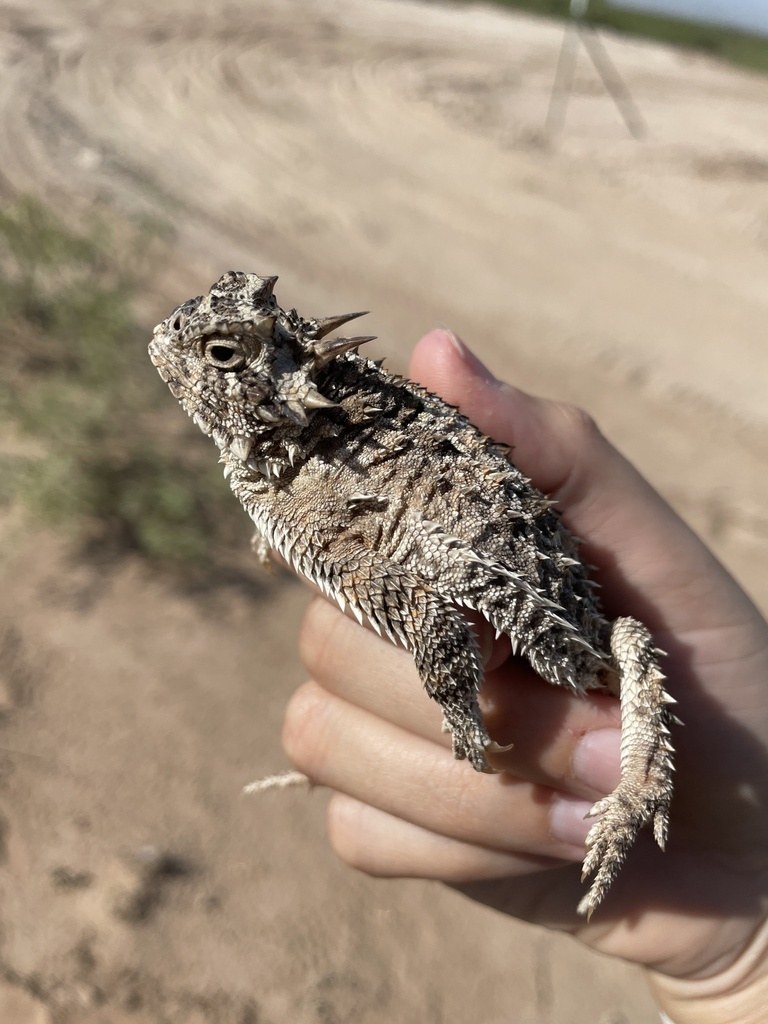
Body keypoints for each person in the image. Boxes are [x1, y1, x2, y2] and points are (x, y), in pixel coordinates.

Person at [282, 328, 768, 1024]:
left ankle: (637, 793)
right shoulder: (290, 472)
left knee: (620, 645)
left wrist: (457, 710)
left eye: (224, 358)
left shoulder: (320, 457)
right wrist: (745, 966)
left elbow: (433, 613)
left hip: (563, 620)